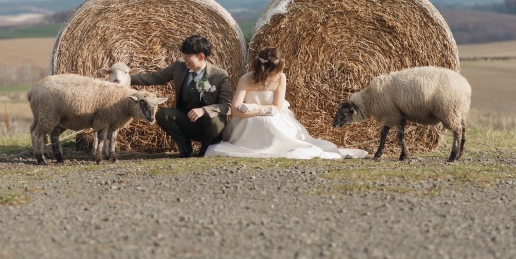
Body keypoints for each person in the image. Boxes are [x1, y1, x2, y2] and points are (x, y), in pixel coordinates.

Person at [205, 46, 367, 159]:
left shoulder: (281, 78)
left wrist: (255, 108)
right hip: (247, 119)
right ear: (267, 71)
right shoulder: (246, 79)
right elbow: (235, 110)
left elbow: (276, 107)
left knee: (271, 122)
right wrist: (259, 111)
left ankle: (281, 146)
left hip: (273, 115)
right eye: (279, 70)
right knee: (257, 122)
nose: (282, 73)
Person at [130, 35, 233, 157]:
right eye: (183, 55)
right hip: (184, 118)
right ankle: (184, 146)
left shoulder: (219, 75)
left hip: (208, 124)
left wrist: (204, 110)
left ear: (201, 56)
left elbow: (226, 106)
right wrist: (124, 78)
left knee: (216, 122)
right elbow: (154, 78)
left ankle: (206, 147)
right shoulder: (178, 66)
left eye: (188, 56)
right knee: (163, 115)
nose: (184, 59)